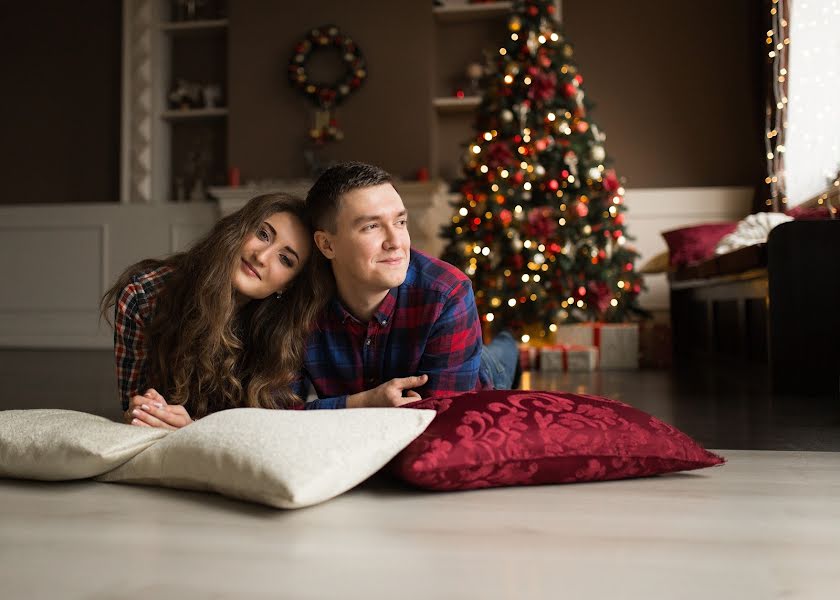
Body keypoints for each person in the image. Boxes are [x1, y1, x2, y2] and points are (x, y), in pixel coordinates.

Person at [100, 193, 334, 429]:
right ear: (239, 229)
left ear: (288, 284)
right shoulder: (143, 296)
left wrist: (193, 428)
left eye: (285, 259)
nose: (261, 257)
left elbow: (267, 433)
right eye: (263, 234)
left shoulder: (288, 329)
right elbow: (135, 410)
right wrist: (149, 412)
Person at [296, 161, 519, 409]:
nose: (395, 242)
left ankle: (509, 342)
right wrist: (361, 403)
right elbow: (274, 412)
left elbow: (444, 416)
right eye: (371, 227)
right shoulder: (299, 302)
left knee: (501, 354)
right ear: (327, 245)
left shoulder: (447, 293)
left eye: (400, 222)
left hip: (477, 374)